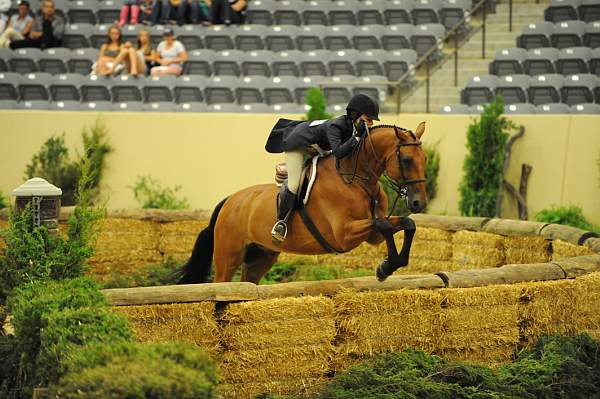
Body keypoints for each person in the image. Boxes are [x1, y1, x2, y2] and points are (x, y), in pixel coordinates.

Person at [264, 94, 380, 244]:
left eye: (371, 120)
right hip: (298, 144)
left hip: (318, 147)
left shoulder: (356, 128)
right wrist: (356, 137)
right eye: (368, 119)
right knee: (294, 183)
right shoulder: (336, 126)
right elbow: (338, 152)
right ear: (355, 114)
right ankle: (281, 223)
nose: (370, 123)